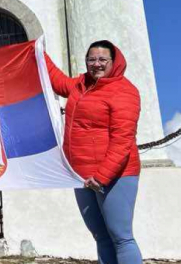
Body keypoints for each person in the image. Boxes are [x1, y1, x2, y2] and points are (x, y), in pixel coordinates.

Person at [45, 40, 143, 264]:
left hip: (115, 176)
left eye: (102, 60)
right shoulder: (81, 84)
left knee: (121, 237)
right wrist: (38, 53)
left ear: (113, 61)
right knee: (101, 237)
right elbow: (59, 83)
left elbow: (122, 140)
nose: (96, 64)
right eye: (91, 59)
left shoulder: (124, 91)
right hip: (81, 175)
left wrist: (102, 176)